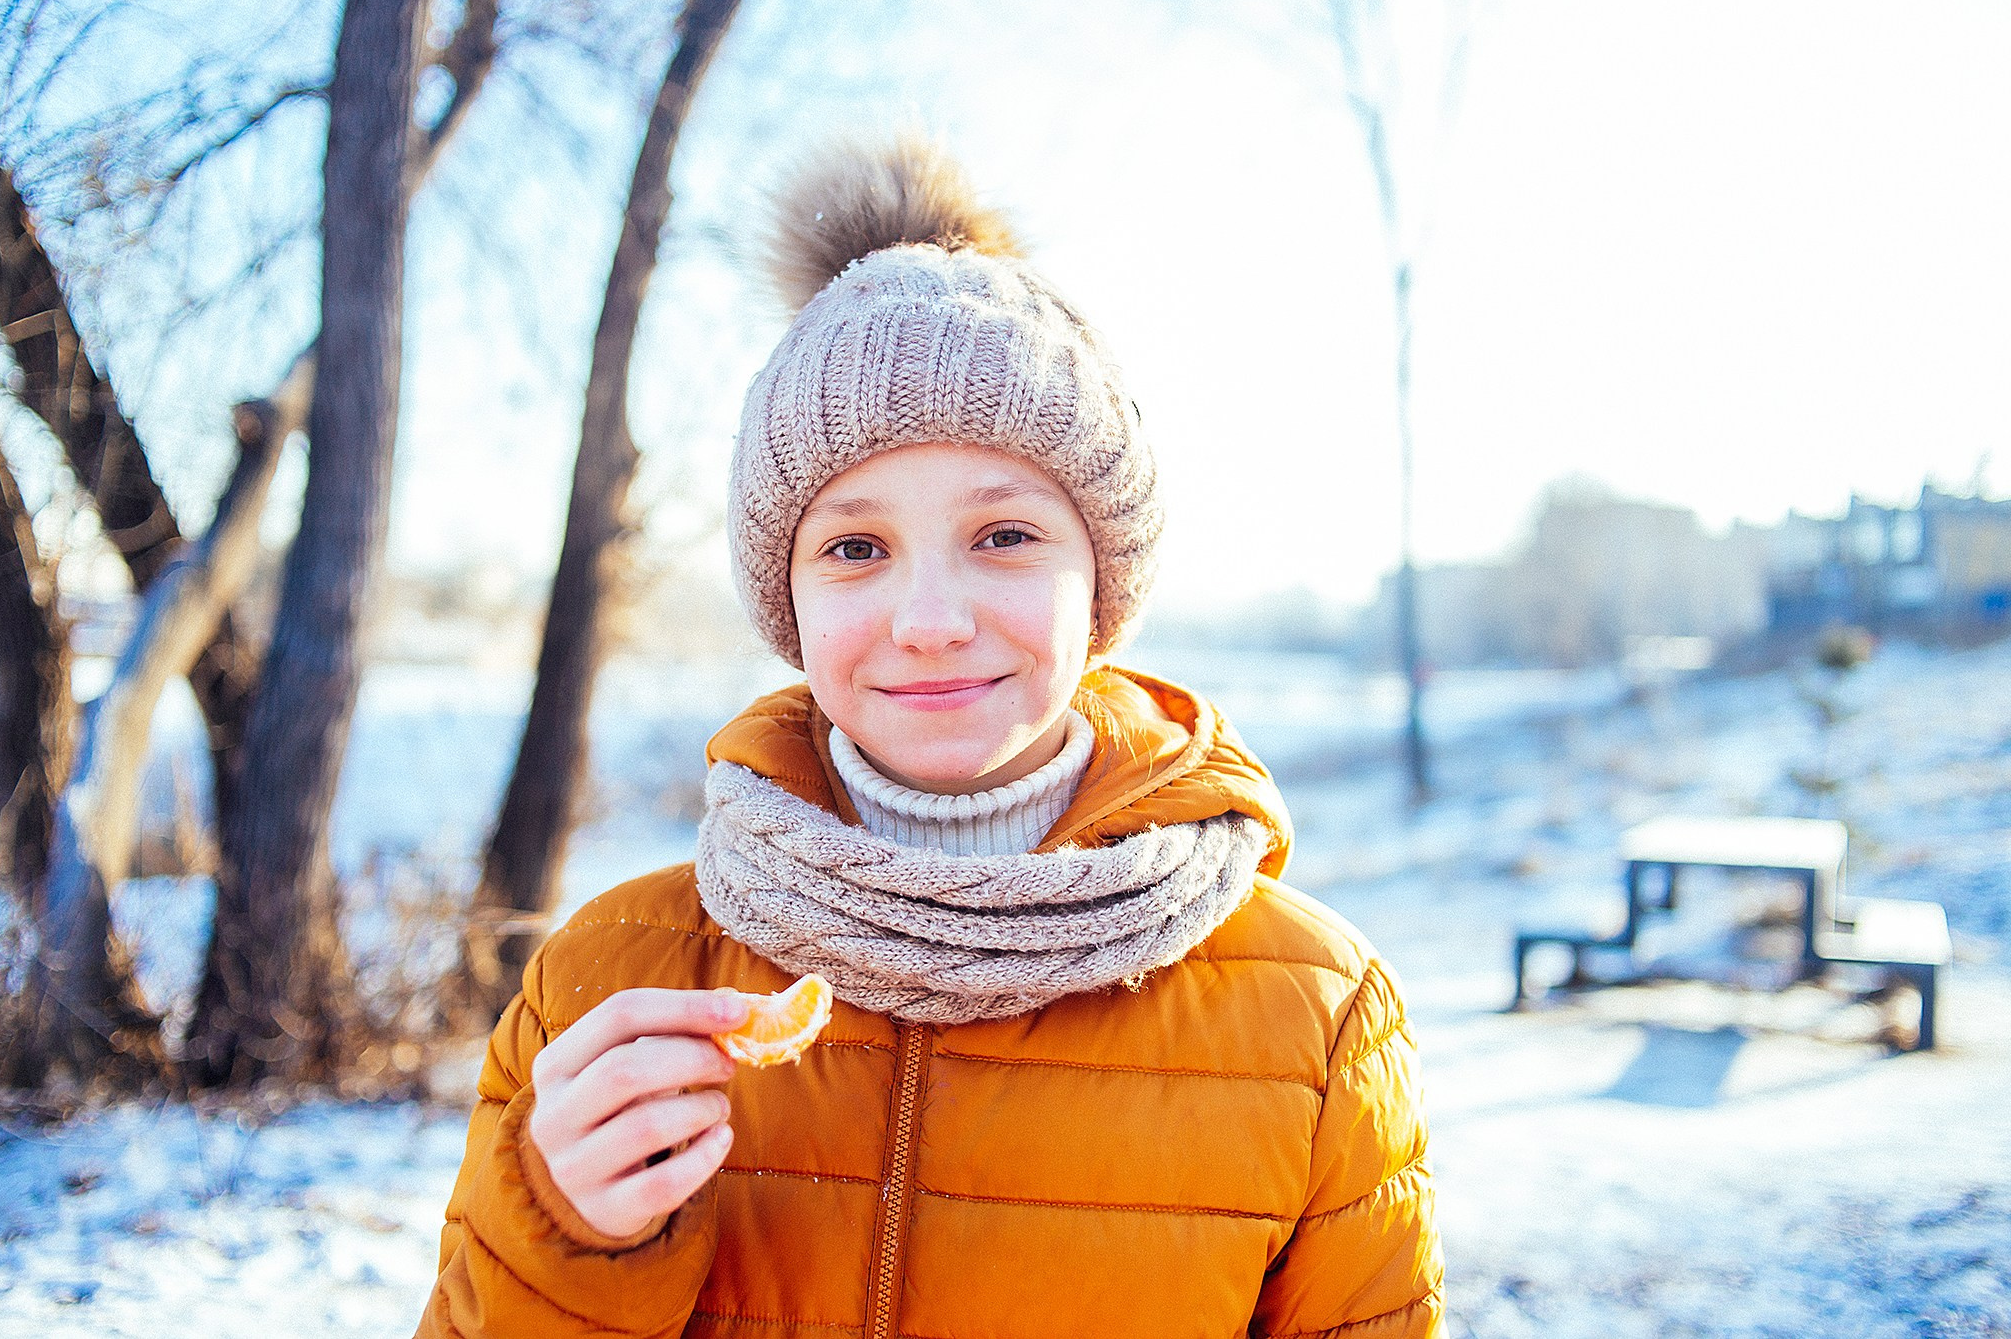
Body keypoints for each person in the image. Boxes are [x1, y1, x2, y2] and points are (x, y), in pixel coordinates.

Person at [415, 136, 1445, 1339]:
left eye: (1003, 537)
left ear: (1102, 584)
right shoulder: (610, 979)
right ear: (787, 601)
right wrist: (562, 1240)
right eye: (854, 548)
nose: (930, 621)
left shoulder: (1313, 1010)